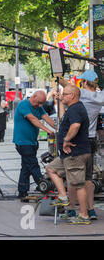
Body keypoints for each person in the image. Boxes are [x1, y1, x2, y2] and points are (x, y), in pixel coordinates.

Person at [58, 70, 103, 220]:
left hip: (77, 139)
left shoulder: (82, 94)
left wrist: (59, 77)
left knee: (73, 177)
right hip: (91, 140)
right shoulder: (100, 96)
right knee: (88, 179)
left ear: (83, 82)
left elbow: (68, 87)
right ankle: (90, 210)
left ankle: (72, 209)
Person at [47, 84, 92, 225]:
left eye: (65, 94)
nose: (62, 95)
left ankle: (84, 215)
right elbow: (62, 118)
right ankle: (63, 196)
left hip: (75, 154)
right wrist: (60, 101)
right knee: (51, 168)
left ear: (72, 95)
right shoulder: (73, 109)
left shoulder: (76, 109)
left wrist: (66, 140)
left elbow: (75, 126)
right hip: (69, 155)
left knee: (79, 185)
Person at [13, 90, 55, 198]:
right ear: (34, 96)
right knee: (33, 165)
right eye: (39, 102)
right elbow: (33, 119)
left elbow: (47, 118)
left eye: (42, 103)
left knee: (26, 167)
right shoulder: (23, 104)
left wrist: (58, 128)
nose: (40, 105)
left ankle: (22, 191)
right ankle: (43, 185)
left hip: (32, 142)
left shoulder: (38, 107)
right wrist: (48, 130)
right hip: (23, 142)